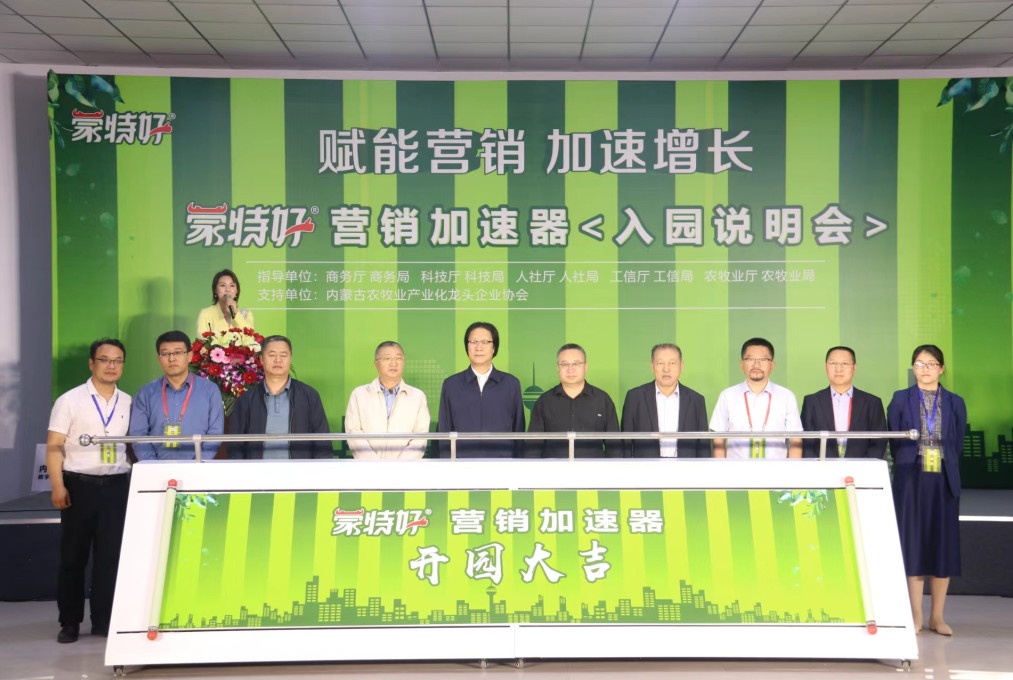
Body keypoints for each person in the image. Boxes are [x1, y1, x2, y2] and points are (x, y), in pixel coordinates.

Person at [46, 339, 132, 643]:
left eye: (117, 360)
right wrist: (57, 485)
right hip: (78, 486)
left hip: (117, 487)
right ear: (91, 363)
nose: (111, 366)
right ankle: (69, 622)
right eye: (105, 359)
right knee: (73, 557)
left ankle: (103, 621)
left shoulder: (128, 401)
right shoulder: (69, 400)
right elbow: (54, 446)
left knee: (110, 558)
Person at [888, 345, 965, 636]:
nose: (925, 369)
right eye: (920, 364)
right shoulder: (900, 398)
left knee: (943, 544)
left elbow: (957, 442)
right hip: (911, 478)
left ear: (941, 368)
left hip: (943, 479)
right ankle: (916, 615)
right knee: (914, 543)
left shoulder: (956, 402)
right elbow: (895, 441)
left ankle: (938, 616)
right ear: (913, 368)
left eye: (931, 364)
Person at [227, 336, 333, 459]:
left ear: (290, 358)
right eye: (272, 355)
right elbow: (235, 446)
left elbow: (322, 443)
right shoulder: (246, 400)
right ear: (261, 359)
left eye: (283, 355)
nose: (278, 360)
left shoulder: (309, 396)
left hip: (300, 470)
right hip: (258, 470)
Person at [129, 330, 224, 460]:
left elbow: (215, 434)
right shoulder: (145, 393)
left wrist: (197, 464)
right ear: (159, 358)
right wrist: (152, 465)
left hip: (197, 467)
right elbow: (139, 435)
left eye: (178, 352)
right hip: (156, 468)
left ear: (189, 356)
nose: (172, 358)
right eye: (165, 353)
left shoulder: (209, 390)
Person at [437, 321, 524, 458]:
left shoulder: (511, 384)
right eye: (473, 342)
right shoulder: (451, 385)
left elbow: (518, 430)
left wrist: (518, 463)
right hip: (461, 463)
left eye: (485, 342)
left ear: (494, 347)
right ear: (467, 346)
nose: (479, 347)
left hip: (503, 462)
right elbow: (444, 430)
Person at [710, 338, 803, 459]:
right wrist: (721, 469)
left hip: (777, 468)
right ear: (742, 364)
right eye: (750, 359)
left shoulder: (787, 397)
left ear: (772, 365)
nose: (756, 364)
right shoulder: (727, 396)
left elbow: (796, 440)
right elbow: (718, 440)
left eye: (763, 359)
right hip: (736, 468)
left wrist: (793, 469)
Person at [527, 344, 620, 458]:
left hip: (593, 468)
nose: (570, 369)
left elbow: (614, 446)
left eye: (576, 364)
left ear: (585, 366)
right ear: (558, 368)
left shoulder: (602, 400)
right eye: (565, 364)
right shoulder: (544, 401)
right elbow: (533, 446)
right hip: (554, 469)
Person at [621, 343, 710, 458]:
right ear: (652, 366)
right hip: (645, 467)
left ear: (681, 365)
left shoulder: (696, 400)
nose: (666, 369)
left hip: (685, 467)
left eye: (672, 363)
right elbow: (625, 443)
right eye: (660, 363)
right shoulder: (635, 397)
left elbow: (703, 446)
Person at [345, 341, 431, 459]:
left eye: (399, 358)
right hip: (368, 468)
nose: (393, 363)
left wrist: (399, 466)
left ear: (404, 362)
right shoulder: (359, 395)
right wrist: (376, 465)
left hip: (406, 468)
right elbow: (354, 433)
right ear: (376, 363)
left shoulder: (417, 396)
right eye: (387, 358)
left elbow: (420, 438)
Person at [801, 346, 888, 459]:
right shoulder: (812, 401)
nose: (839, 369)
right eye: (833, 363)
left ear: (854, 368)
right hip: (822, 465)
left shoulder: (872, 403)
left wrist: (865, 465)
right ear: (826, 367)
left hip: (862, 466)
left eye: (845, 364)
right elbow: (807, 441)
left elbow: (879, 441)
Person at [196, 268, 254, 337]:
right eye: (223, 285)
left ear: (237, 290)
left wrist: (236, 314)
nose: (228, 290)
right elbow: (202, 340)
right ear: (215, 290)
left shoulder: (246, 314)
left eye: (232, 285)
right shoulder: (206, 314)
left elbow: (249, 338)